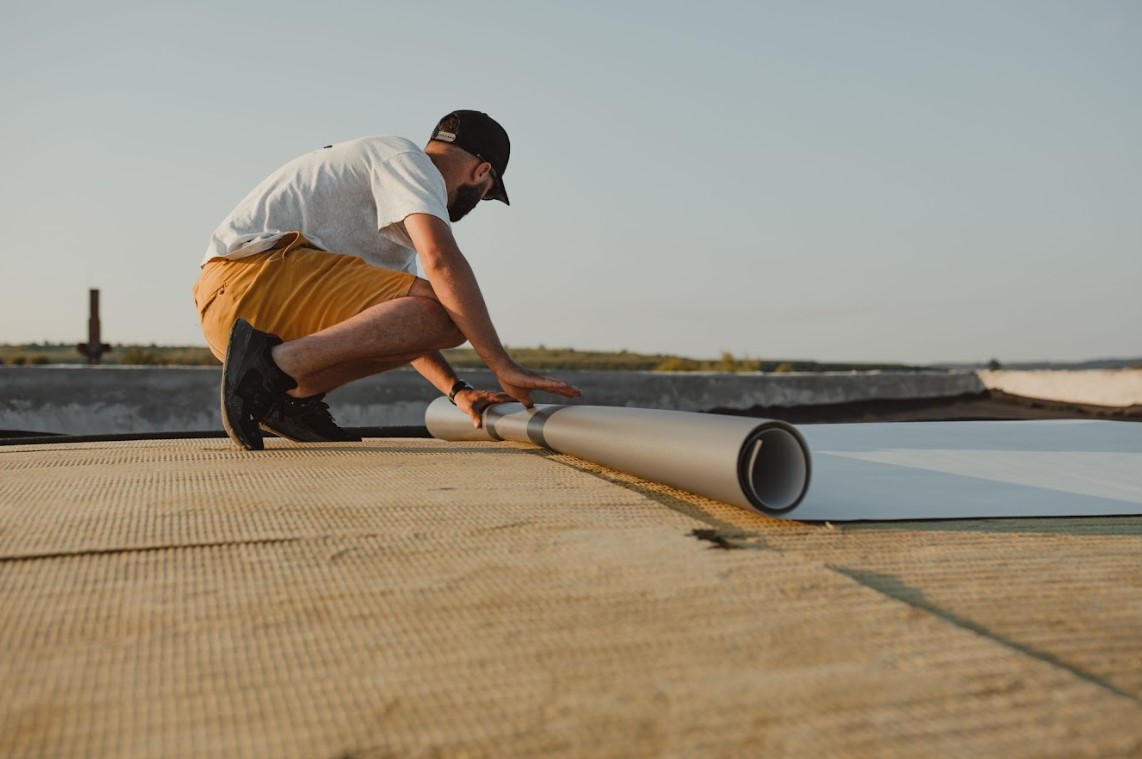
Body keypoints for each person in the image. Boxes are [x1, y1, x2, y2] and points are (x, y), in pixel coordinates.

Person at [193, 110, 582, 450]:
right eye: (485, 194)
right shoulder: (407, 160)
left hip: (239, 305)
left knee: (436, 313)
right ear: (482, 173)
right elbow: (443, 262)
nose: (477, 203)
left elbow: (404, 327)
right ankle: (270, 368)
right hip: (248, 279)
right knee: (452, 309)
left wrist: (457, 391)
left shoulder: (394, 218)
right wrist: (503, 364)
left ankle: (286, 396)